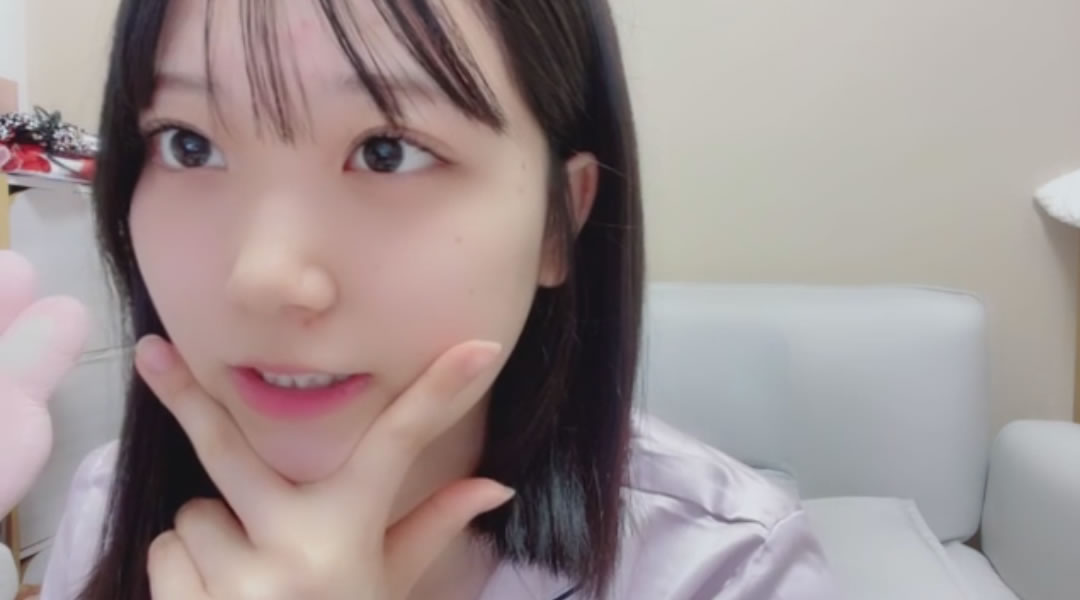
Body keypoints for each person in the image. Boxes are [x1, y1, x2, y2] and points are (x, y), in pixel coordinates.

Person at [0, 1, 840, 598]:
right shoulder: (107, 506)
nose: (264, 276)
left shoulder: (726, 570)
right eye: (189, 144)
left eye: (388, 152)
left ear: (561, 219)